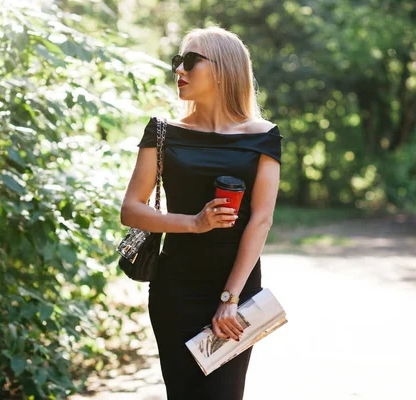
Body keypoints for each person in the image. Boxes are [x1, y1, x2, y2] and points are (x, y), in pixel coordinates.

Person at [120, 26, 282, 400]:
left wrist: (230, 299)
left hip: (236, 290)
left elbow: (261, 219)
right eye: (179, 61)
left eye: (191, 61)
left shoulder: (263, 135)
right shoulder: (162, 132)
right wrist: (193, 223)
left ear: (225, 68)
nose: (180, 70)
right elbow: (131, 209)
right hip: (174, 289)